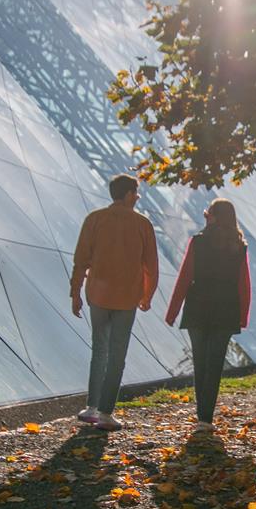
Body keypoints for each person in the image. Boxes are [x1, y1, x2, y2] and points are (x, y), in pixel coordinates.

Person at [70, 174, 158, 431]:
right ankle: (106, 413)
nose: (138, 197)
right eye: (137, 193)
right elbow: (150, 266)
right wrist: (147, 295)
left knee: (99, 349)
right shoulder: (142, 224)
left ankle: (92, 406)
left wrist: (75, 292)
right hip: (126, 298)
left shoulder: (94, 219)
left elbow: (81, 259)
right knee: (117, 355)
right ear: (130, 194)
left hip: (97, 295)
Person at [165, 199, 252, 432]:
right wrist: (243, 316)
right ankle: (205, 418)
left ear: (213, 217)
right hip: (226, 311)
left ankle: (202, 415)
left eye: (208, 215)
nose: (205, 219)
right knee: (214, 365)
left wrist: (173, 311)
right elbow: (244, 285)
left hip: (197, 309)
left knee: (200, 362)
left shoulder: (198, 242)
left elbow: (185, 277)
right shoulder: (239, 246)